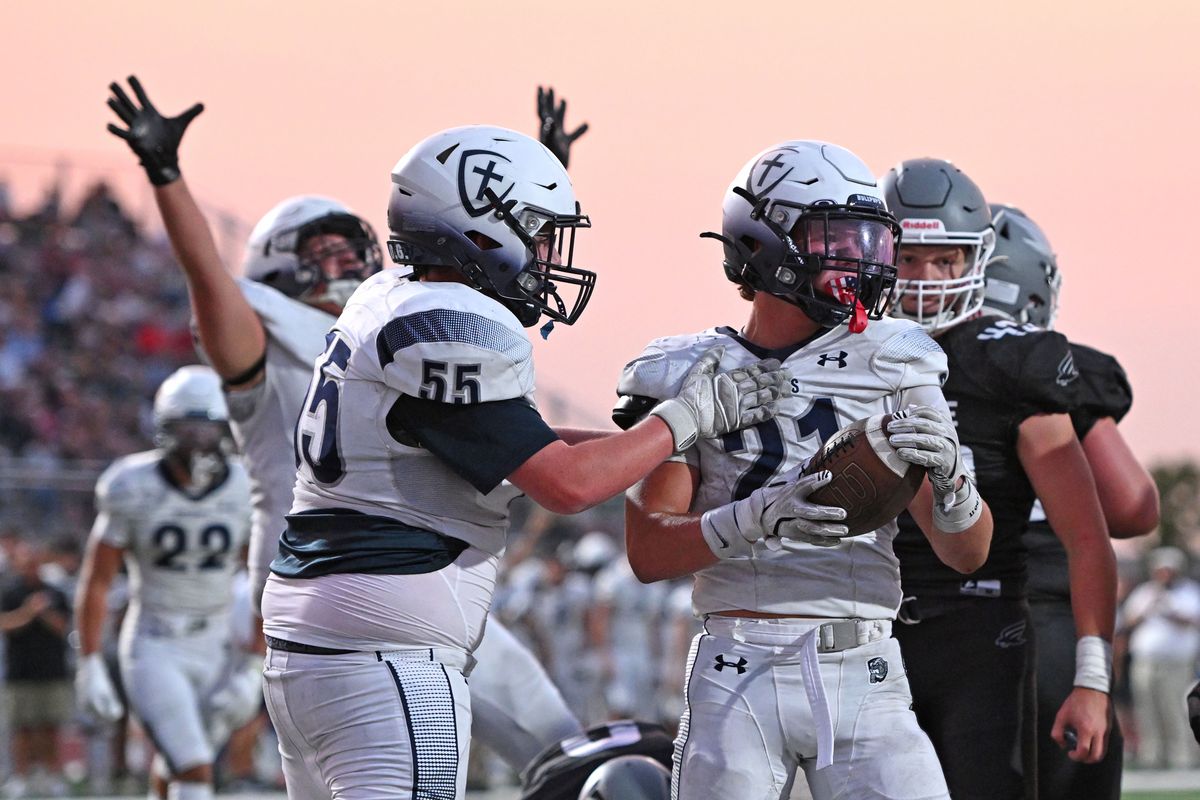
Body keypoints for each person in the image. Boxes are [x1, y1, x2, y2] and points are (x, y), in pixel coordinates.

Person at [257, 123, 788, 799]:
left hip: (317, 647)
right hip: (385, 655)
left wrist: (663, 443)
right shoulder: (447, 326)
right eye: (538, 234)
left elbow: (526, 442)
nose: (545, 256)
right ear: (477, 232)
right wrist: (685, 416)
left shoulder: (389, 298)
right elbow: (563, 485)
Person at [104, 76, 600, 780]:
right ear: (277, 272)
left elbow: (486, 339)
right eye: (323, 255)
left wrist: (531, 197)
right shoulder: (264, 349)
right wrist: (167, 178)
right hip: (350, 594)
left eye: (351, 250)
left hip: (416, 582)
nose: (346, 266)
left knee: (560, 755)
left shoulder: (388, 320)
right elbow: (208, 278)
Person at [618, 140, 993, 800]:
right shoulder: (684, 369)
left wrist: (954, 487)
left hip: (864, 668)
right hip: (736, 669)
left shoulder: (896, 358)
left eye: (868, 240)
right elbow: (649, 549)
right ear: (764, 244)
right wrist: (757, 518)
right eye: (837, 239)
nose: (859, 260)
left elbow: (965, 553)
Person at [883, 158, 1119, 799]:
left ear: (975, 261)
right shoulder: (838, 356)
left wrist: (1092, 679)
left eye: (946, 260)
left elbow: (1090, 536)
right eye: (909, 258)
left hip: (978, 632)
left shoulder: (1015, 363)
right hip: (863, 635)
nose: (926, 279)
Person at [986, 202, 1159, 799]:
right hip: (1053, 626)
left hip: (939, 628)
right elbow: (1134, 507)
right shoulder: (1054, 370)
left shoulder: (899, 366)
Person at [73, 365, 257, 800]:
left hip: (217, 642)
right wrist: (90, 659)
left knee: (177, 764)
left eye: (207, 429)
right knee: (194, 769)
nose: (199, 441)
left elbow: (265, 579)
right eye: (187, 429)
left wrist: (253, 660)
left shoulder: (245, 487)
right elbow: (97, 579)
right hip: (156, 641)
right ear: (164, 431)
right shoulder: (130, 485)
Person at [0, 541, 72, 799]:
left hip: (52, 671)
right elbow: (5, 624)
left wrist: (44, 612)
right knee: (22, 728)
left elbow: (63, 627)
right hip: (20, 672)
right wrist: (29, 612)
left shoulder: (55, 593)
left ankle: (51, 776)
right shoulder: (10, 593)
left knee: (50, 727)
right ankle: (20, 777)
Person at [1118, 546, 1200, 768]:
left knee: (1175, 707)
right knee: (1147, 707)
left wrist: (1172, 613)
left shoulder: (1189, 592)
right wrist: (1148, 609)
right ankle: (1152, 754)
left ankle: (1182, 756)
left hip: (1176, 662)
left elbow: (1194, 621)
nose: (1164, 574)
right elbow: (1127, 623)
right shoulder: (1145, 593)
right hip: (1145, 661)